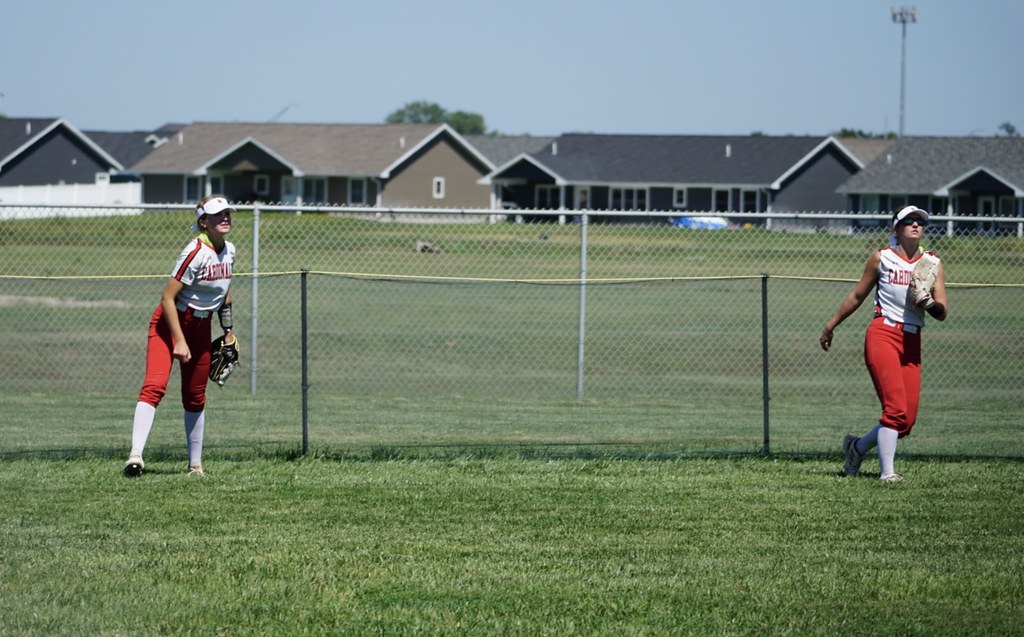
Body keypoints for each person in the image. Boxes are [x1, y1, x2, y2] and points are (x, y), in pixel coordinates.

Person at [819, 205, 947, 482]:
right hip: (883, 333)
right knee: (895, 410)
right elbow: (856, 296)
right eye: (909, 221)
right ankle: (887, 473)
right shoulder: (882, 258)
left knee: (906, 421)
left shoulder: (932, 264)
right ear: (896, 228)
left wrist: (929, 303)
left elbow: (943, 312)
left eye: (920, 222)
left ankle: (857, 447)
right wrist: (831, 326)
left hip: (912, 339)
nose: (916, 225)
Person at [123, 195, 237, 477]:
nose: (225, 218)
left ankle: (195, 466)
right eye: (216, 214)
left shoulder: (230, 250)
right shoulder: (195, 251)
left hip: (201, 327)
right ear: (203, 222)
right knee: (155, 386)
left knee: (195, 396)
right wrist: (180, 340)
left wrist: (229, 330)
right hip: (169, 324)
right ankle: (135, 456)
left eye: (227, 213)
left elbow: (225, 293)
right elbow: (167, 298)